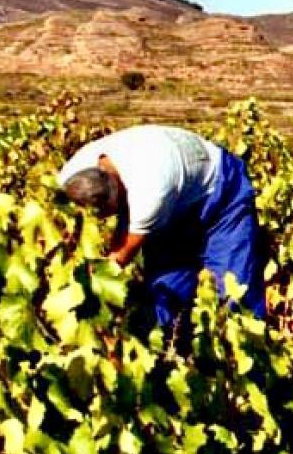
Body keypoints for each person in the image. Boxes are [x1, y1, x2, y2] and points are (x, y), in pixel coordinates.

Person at [57, 125, 266, 327]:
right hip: (176, 195)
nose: (103, 218)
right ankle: (173, 350)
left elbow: (119, 257)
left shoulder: (150, 192)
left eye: (108, 211)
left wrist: (87, 293)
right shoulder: (71, 174)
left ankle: (244, 355)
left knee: (235, 291)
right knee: (166, 292)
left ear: (119, 190)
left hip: (222, 193)